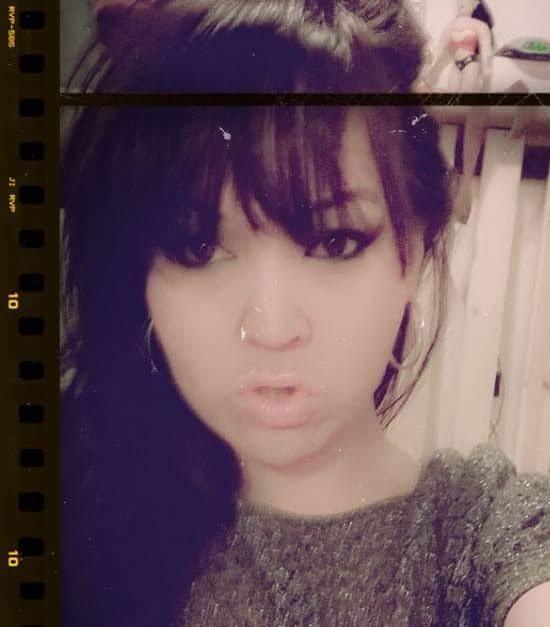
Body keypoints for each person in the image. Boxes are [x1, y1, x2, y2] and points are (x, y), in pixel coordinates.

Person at [61, 1, 550, 626]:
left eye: (334, 242)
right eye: (197, 247)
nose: (270, 328)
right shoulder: (80, 505)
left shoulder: (485, 535)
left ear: (417, 247)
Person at [419, 0, 494, 92]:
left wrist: (486, 68)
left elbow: (486, 50)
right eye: (459, 1)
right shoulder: (450, 26)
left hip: (470, 63)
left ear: (475, 4)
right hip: (456, 65)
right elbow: (439, 49)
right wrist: (429, 67)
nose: (461, 3)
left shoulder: (480, 26)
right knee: (452, 93)